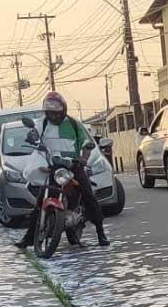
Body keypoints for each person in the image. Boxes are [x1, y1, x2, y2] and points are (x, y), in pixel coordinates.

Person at [16, 90, 110, 249]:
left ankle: (101, 232)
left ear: (63, 111)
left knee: (89, 195)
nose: (53, 117)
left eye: (56, 113)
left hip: (73, 165)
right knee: (40, 201)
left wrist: (84, 158)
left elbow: (87, 144)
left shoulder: (74, 124)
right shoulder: (42, 124)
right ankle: (28, 238)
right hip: (53, 166)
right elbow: (32, 134)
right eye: (50, 113)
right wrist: (31, 136)